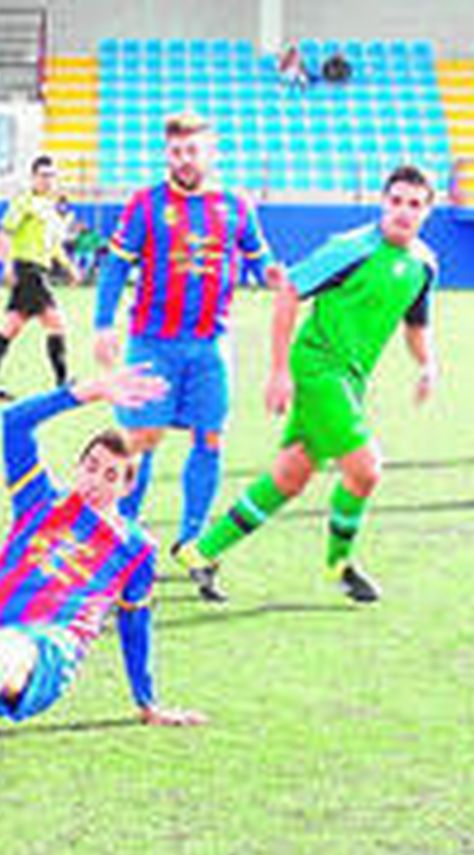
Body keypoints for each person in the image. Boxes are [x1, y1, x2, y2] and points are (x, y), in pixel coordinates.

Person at [0, 366, 208, 767]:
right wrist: (88, 392)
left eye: (112, 475)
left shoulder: (136, 549)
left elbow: (135, 627)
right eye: (92, 466)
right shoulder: (39, 502)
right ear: (79, 465)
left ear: (127, 487)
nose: (97, 481)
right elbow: (15, 422)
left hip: (47, 650)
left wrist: (148, 702)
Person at [176, 165, 440, 605]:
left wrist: (427, 365)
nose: (403, 212)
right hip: (318, 367)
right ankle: (339, 565)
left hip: (351, 380)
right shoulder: (352, 248)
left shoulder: (424, 266)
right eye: (396, 201)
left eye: (415, 204)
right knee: (366, 468)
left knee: (291, 476)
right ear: (382, 202)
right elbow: (290, 290)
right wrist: (278, 371)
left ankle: (200, 552)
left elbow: (416, 325)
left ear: (428, 211)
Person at [94, 111, 283, 553]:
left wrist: (281, 277)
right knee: (141, 439)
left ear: (211, 154)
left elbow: (260, 260)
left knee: (210, 439)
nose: (184, 160)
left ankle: (192, 543)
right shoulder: (145, 204)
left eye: (192, 150)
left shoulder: (236, 206)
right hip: (152, 344)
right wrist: (103, 324)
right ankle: (122, 539)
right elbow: (115, 267)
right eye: (176, 151)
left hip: (209, 347)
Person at [0, 155, 81, 401]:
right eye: (43, 175)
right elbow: (5, 234)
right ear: (33, 177)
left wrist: (69, 267)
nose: (47, 180)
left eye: (51, 175)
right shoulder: (24, 202)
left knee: (10, 327)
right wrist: (7, 266)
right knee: (56, 323)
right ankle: (63, 383)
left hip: (38, 270)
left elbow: (54, 247)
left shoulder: (52, 210)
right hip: (27, 270)